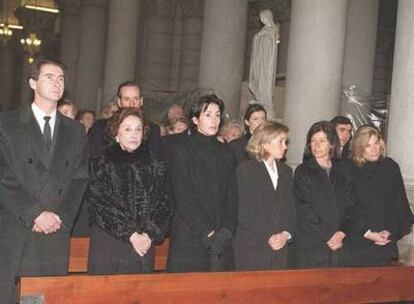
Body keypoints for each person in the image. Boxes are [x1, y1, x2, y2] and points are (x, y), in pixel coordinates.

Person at [0, 58, 88, 303]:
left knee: (45, 296)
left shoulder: (76, 131)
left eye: (61, 78)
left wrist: (61, 218)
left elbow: (80, 179)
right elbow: (3, 175)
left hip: (55, 230)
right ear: (32, 82)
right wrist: (36, 213)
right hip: (17, 226)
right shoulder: (7, 124)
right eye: (49, 76)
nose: (57, 82)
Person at [86, 108, 170, 274]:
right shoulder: (101, 164)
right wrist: (131, 235)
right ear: (116, 134)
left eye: (138, 129)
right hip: (109, 245)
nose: (134, 134)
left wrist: (148, 235)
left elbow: (163, 204)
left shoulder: (154, 166)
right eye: (128, 129)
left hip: (143, 246)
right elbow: (100, 204)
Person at [166, 94, 238, 272]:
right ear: (195, 119)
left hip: (221, 235)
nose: (214, 120)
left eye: (217, 115)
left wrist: (227, 230)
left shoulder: (226, 152)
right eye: (208, 115)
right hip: (190, 233)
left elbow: (232, 195)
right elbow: (183, 196)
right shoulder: (182, 149)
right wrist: (207, 231)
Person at [341, 125, 414, 267]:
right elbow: (346, 208)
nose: (374, 149)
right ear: (359, 147)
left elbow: (400, 206)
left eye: (376, 143)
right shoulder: (347, 168)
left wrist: (391, 231)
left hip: (385, 245)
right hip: (356, 244)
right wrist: (367, 232)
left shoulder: (390, 167)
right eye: (368, 145)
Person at [234, 121, 295, 270]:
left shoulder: (286, 171)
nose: (285, 146)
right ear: (265, 143)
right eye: (281, 141)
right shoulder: (246, 170)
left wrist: (285, 234)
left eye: (285, 142)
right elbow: (245, 211)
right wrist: (269, 235)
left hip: (280, 247)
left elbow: (290, 209)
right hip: (253, 246)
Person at [294, 121, 354, 268]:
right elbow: (304, 209)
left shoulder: (343, 172)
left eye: (322, 141)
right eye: (313, 141)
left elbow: (351, 207)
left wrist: (341, 232)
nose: (316, 145)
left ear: (332, 144)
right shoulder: (303, 171)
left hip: (340, 245)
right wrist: (328, 236)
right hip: (313, 246)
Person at [88, 81, 161, 158]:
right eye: (127, 99)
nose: (132, 104)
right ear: (119, 102)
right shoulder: (100, 127)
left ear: (141, 101)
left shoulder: (153, 130)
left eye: (136, 99)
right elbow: (95, 159)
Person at [249, 9, 280, 119]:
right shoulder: (263, 31)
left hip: (267, 63)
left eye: (263, 17)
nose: (261, 20)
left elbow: (272, 42)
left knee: (265, 82)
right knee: (257, 79)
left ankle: (265, 101)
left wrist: (261, 36)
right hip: (259, 61)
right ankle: (260, 99)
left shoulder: (272, 30)